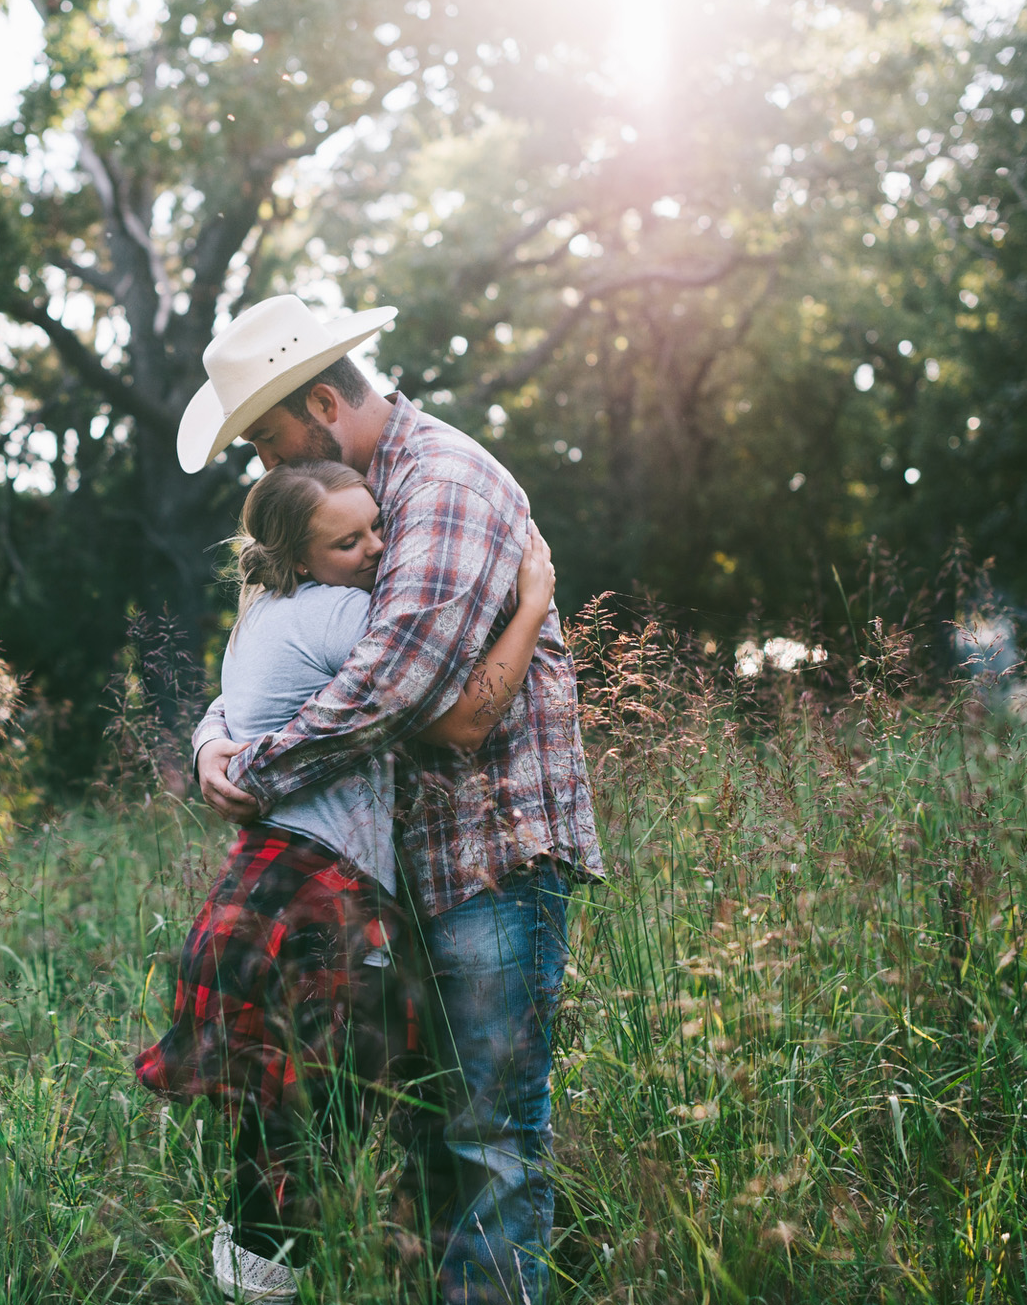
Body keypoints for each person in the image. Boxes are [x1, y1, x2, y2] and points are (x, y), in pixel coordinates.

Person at [178, 294, 606, 1305]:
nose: (265, 469)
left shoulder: (441, 485)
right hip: (399, 871)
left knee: (490, 1137)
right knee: (424, 1127)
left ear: (323, 402)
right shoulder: (354, 510)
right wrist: (213, 742)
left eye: (270, 440)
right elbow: (276, 654)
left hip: (486, 861)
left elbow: (399, 691)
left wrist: (255, 773)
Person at [136, 458, 559, 1302]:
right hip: (315, 897)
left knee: (278, 1141)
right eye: (348, 539)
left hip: (265, 883)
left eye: (376, 525)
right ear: (299, 557)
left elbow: (232, 705)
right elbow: (464, 714)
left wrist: (210, 740)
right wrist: (535, 601)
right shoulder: (346, 613)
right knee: (314, 1137)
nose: (376, 546)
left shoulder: (265, 614)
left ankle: (253, 1281)